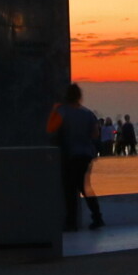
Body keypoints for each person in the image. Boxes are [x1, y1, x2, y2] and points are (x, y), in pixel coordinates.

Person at [46, 83, 103, 232]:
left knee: (70, 189)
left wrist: (54, 110)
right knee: (85, 187)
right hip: (86, 154)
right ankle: (97, 217)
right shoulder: (88, 113)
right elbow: (95, 134)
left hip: (70, 155)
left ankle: (71, 223)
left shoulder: (62, 111)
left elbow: (50, 129)